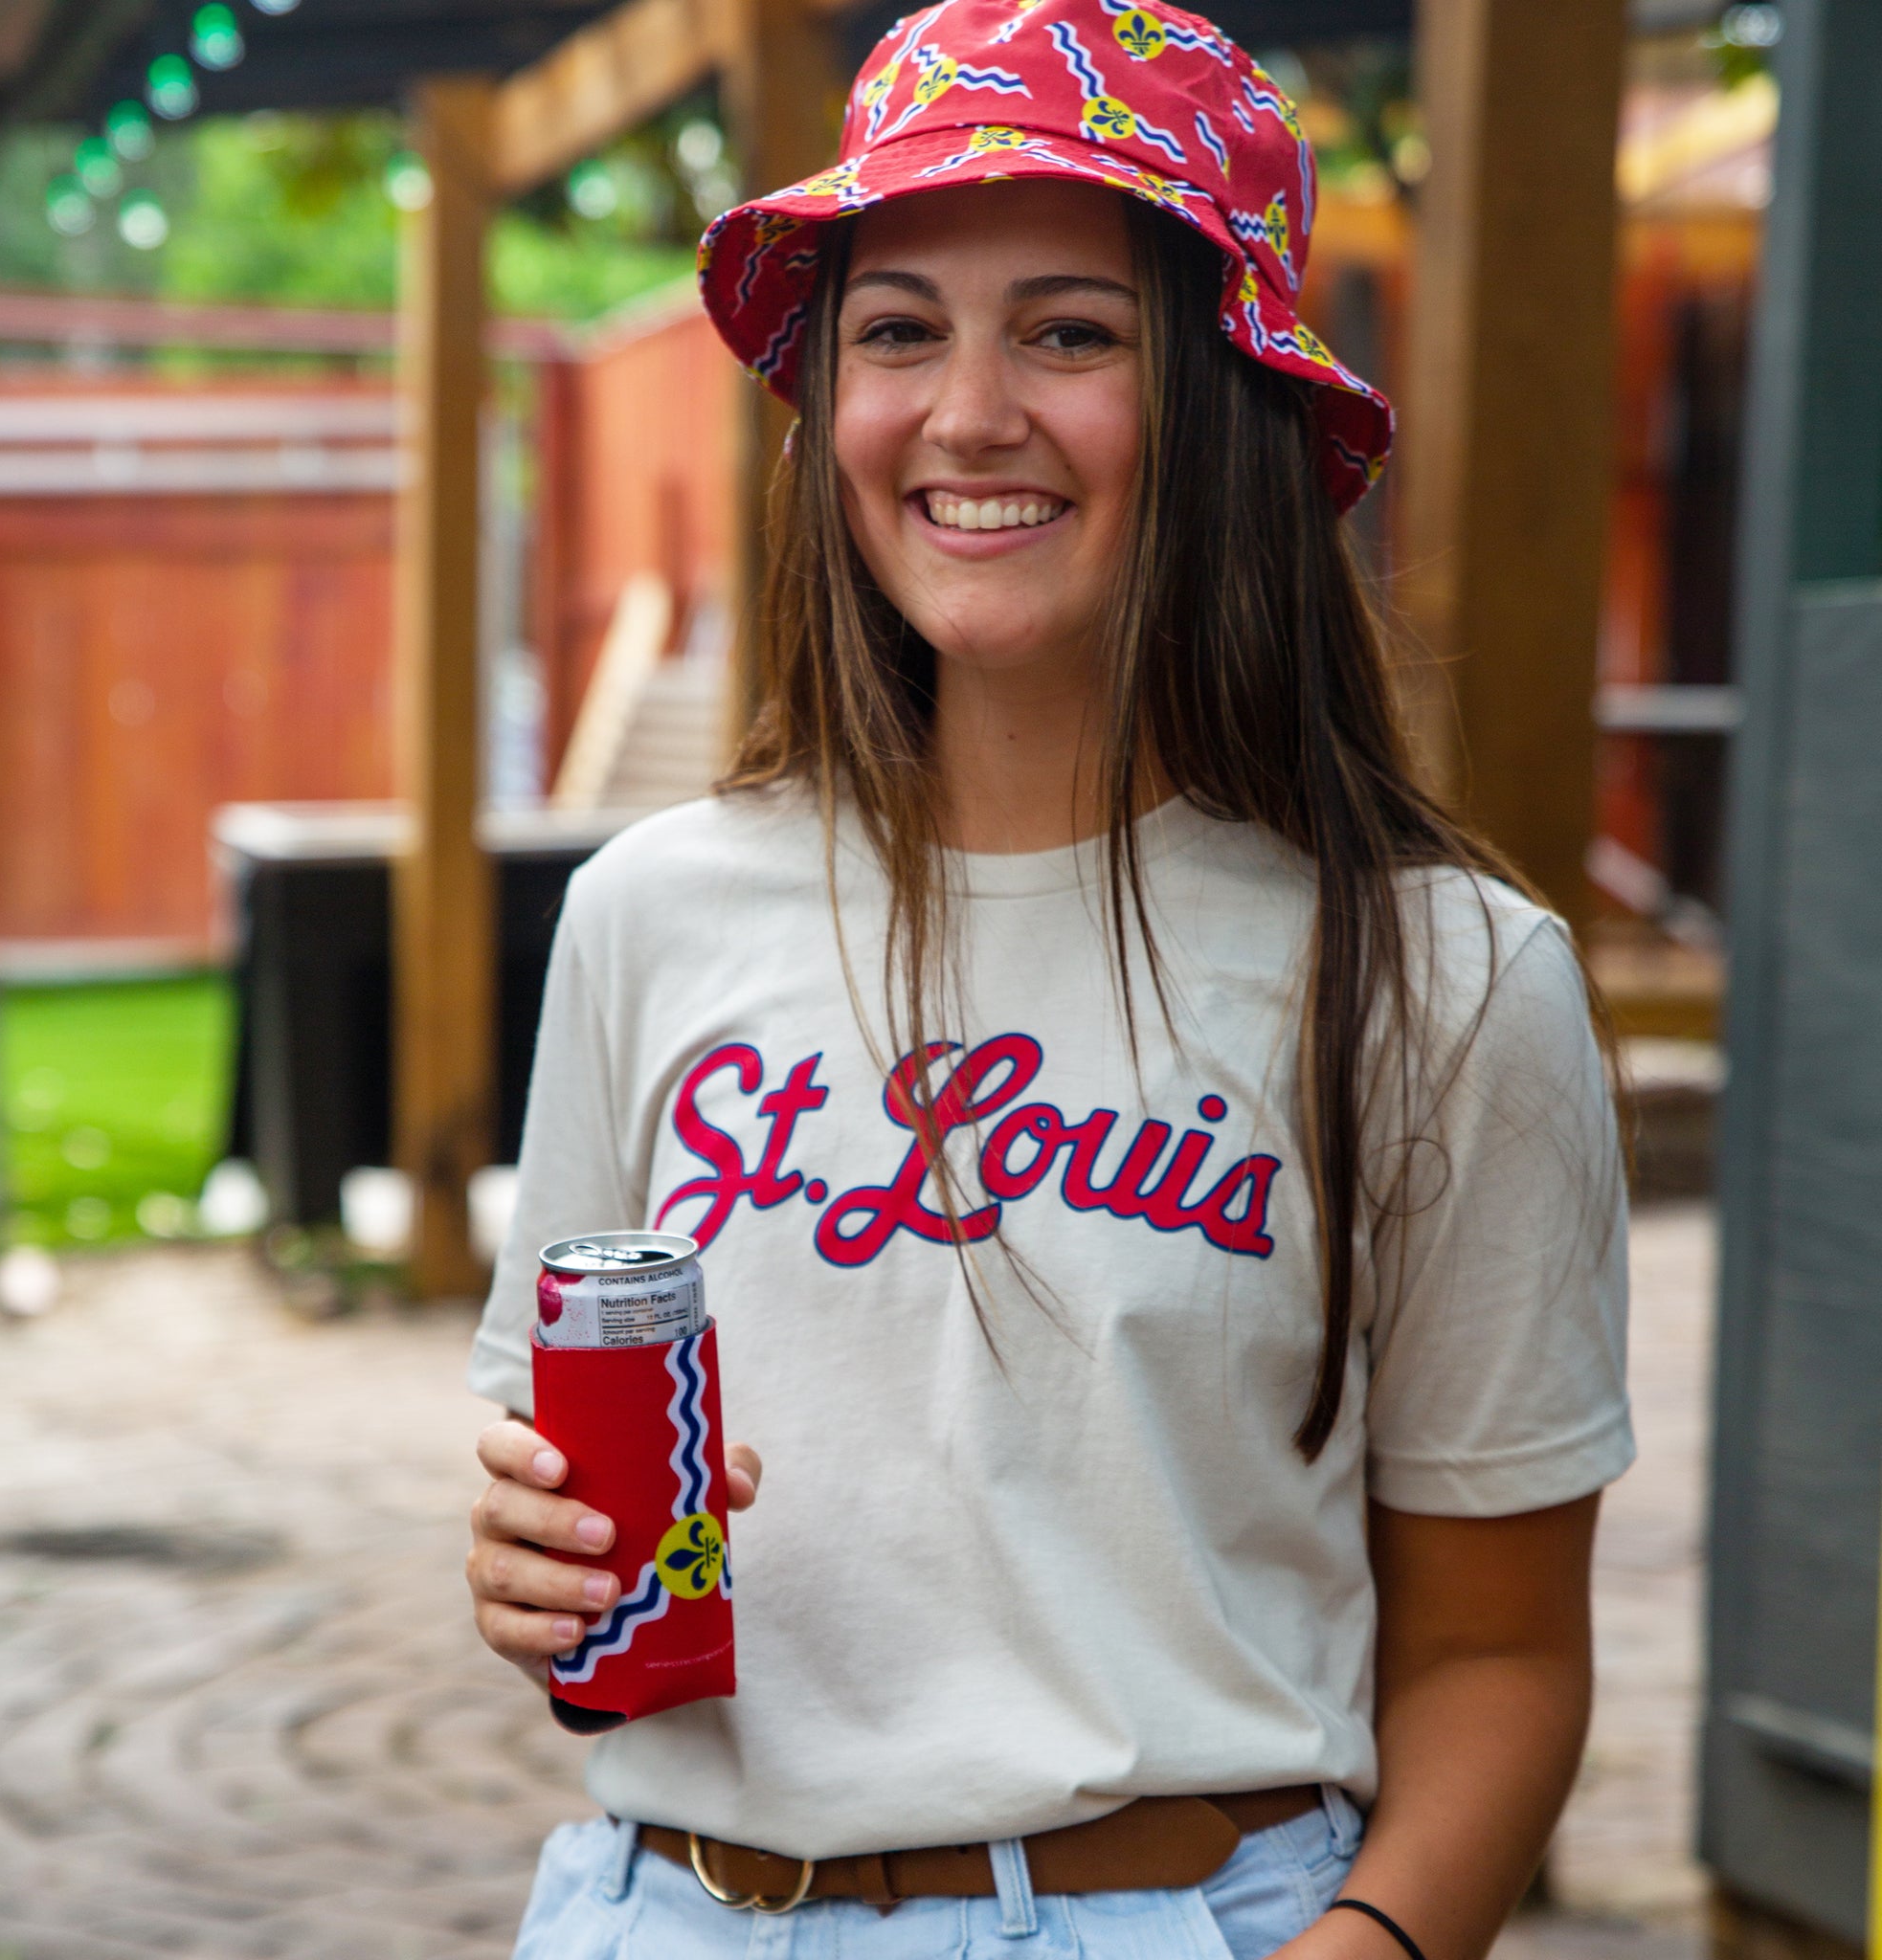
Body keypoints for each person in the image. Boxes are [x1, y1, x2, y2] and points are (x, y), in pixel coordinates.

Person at [464, 0, 1634, 1952]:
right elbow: (572, 1539)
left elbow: (1500, 1657)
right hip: (654, 1905)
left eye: (1070, 333)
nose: (966, 411)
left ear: (1225, 393)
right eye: (896, 326)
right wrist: (535, 1572)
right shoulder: (651, 910)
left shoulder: (1443, 982)